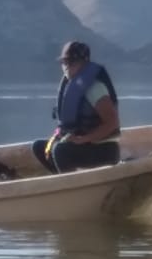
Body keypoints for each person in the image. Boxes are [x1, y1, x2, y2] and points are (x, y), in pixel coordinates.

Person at [32, 41, 121, 174]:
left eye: (72, 62)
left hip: (105, 149)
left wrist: (82, 139)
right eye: (64, 62)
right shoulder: (71, 86)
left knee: (61, 151)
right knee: (40, 147)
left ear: (84, 63)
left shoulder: (94, 88)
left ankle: (70, 184)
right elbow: (65, 126)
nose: (67, 67)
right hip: (83, 146)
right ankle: (63, 181)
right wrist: (57, 136)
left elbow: (112, 123)